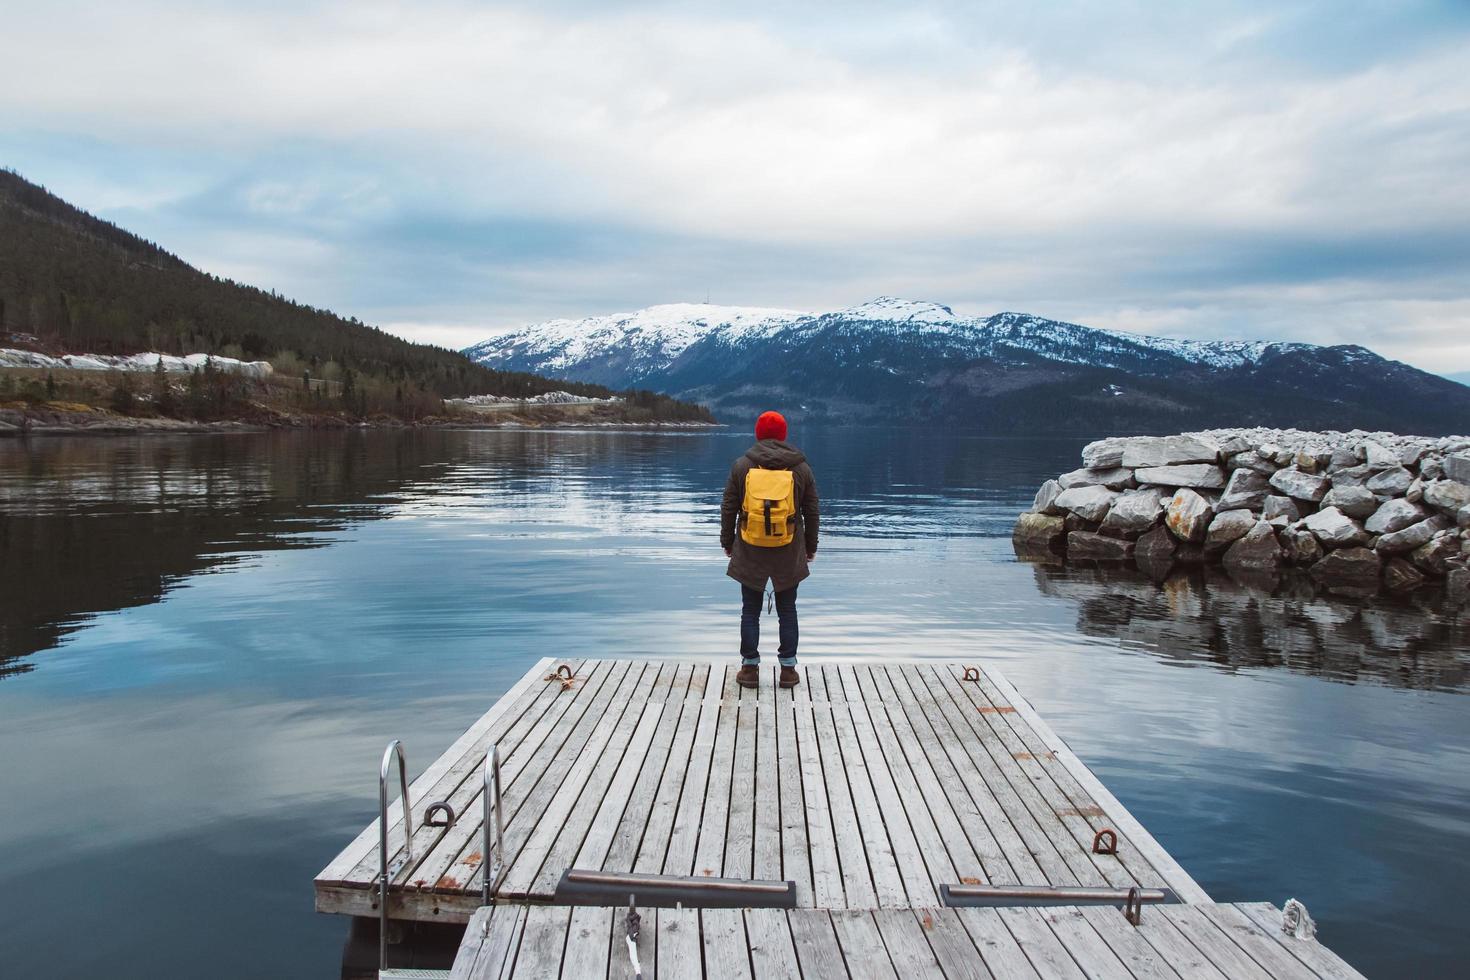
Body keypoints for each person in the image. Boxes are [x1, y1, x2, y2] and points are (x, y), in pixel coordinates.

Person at [720, 410, 819, 689]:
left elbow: (728, 507)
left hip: (750, 547)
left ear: (758, 434)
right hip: (789, 548)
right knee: (788, 610)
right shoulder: (801, 468)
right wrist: (810, 547)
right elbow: (812, 512)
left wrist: (727, 543)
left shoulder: (742, 466)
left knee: (749, 609)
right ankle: (788, 671)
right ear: (784, 435)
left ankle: (749, 669)